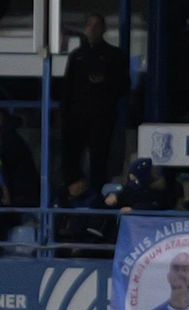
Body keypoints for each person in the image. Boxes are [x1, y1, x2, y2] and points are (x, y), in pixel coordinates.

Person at [61, 13, 129, 191]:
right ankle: (73, 192)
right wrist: (64, 116)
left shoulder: (114, 56)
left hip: (101, 118)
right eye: (89, 25)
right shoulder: (77, 56)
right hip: (77, 117)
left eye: (97, 25)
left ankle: (98, 194)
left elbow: (124, 86)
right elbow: (67, 88)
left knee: (99, 158)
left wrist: (105, 82)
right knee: (72, 156)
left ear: (103, 29)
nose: (92, 29)